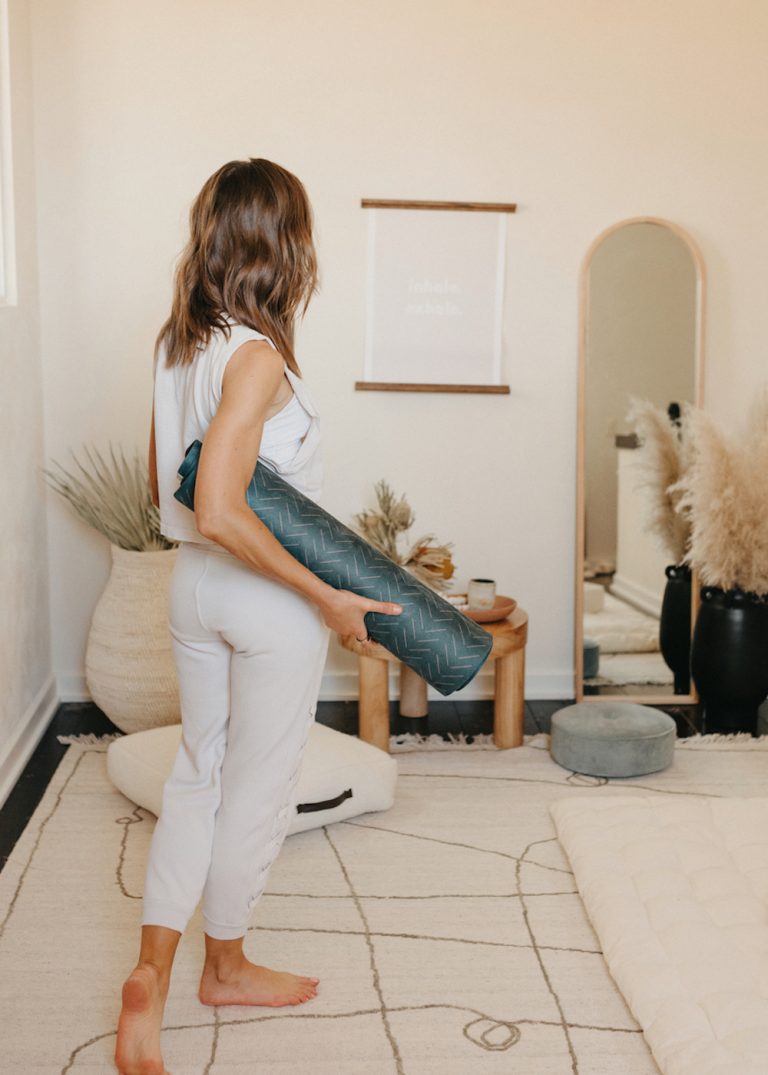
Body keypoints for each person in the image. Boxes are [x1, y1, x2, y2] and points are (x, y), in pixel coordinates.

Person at [114, 158, 403, 1075]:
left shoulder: (177, 344)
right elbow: (223, 505)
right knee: (258, 787)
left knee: (199, 773)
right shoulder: (255, 354)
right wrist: (326, 596)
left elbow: (171, 485)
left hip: (192, 587)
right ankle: (225, 967)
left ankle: (151, 972)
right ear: (285, 247)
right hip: (261, 594)